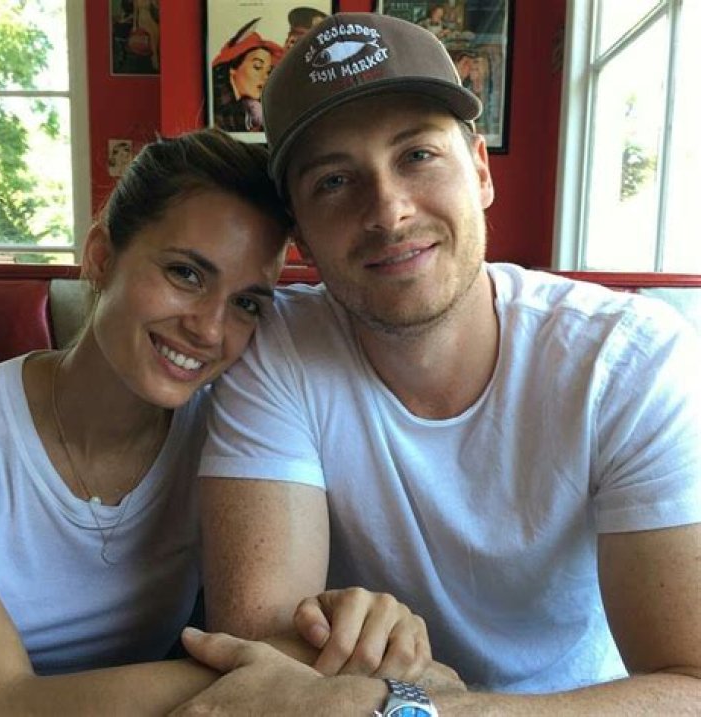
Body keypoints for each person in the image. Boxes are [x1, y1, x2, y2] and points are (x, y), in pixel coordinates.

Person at [177, 12, 701, 716]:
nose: (388, 211)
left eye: (417, 154)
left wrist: (425, 707)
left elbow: (690, 684)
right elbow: (259, 660)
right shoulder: (275, 348)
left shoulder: (628, 360)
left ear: (479, 169)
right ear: (298, 233)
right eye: (334, 180)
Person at [0, 128, 435, 714]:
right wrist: (286, 667)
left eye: (246, 303)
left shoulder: (238, 436)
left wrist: (366, 625)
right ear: (101, 257)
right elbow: (2, 702)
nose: (209, 329)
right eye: (186, 274)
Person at [211, 18, 283, 132]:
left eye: (268, 71)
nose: (265, 77)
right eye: (257, 67)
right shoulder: (216, 104)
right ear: (233, 68)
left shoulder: (252, 107)